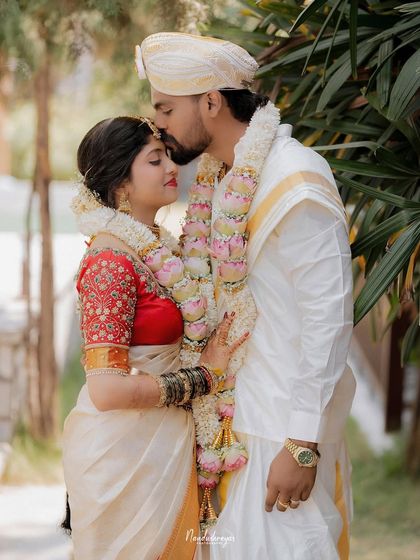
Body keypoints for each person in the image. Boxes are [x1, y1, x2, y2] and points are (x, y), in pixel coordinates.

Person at [135, 33, 356, 559]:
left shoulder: (293, 176)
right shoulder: (222, 176)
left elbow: (328, 317)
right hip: (227, 420)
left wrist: (302, 444)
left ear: (211, 102)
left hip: (278, 431)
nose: (158, 126)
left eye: (165, 109)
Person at [61, 115, 248, 560]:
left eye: (167, 156)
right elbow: (106, 389)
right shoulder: (109, 261)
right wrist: (203, 379)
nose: (171, 168)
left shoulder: (156, 247)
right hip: (125, 453)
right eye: (154, 159)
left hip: (166, 440)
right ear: (121, 183)